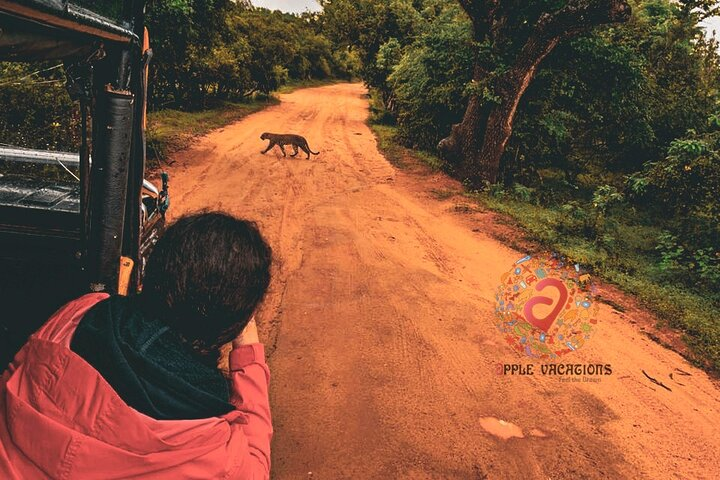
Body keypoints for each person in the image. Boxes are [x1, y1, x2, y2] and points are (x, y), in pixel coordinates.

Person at [0, 212, 273, 479]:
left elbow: (13, 375)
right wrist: (248, 352)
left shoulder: (78, 314)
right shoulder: (217, 455)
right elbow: (256, 466)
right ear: (234, 325)